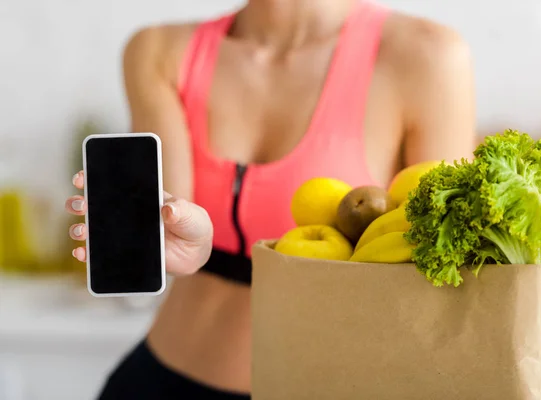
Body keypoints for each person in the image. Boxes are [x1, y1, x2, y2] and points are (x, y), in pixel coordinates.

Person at [65, 0, 476, 398]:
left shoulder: (427, 57)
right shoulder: (157, 51)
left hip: (336, 387)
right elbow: (168, 221)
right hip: (163, 377)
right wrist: (166, 236)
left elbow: (447, 272)